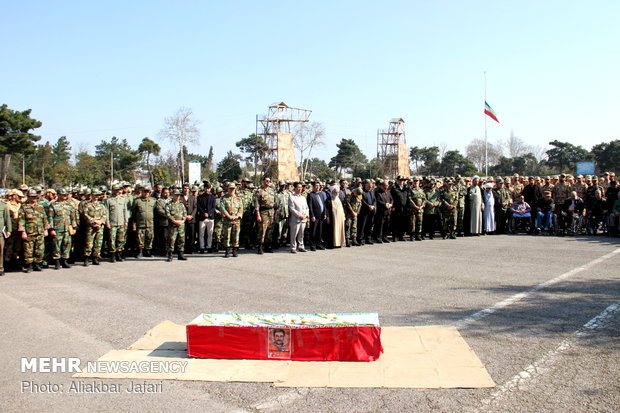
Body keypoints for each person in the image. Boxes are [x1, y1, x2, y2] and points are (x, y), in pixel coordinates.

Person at [18, 190, 49, 273]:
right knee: (28, 250)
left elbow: (44, 218)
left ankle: (37, 264)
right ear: (28, 197)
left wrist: (46, 229)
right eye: (32, 196)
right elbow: (21, 220)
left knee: (40, 249)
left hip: (39, 231)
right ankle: (29, 265)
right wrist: (23, 232)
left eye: (35, 196)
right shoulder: (24, 206)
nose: (34, 198)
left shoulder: (40, 206)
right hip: (29, 232)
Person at [47, 188, 77, 269]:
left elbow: (73, 217)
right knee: (56, 245)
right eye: (63, 195)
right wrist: (51, 229)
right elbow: (50, 218)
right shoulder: (53, 205)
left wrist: (74, 227)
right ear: (58, 195)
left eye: (65, 195)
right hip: (57, 229)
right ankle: (57, 261)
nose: (64, 196)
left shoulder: (69, 205)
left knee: (67, 245)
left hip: (67, 228)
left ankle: (64, 261)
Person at [82, 189, 107, 266]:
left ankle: (95, 258)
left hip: (99, 226)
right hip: (91, 227)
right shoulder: (87, 205)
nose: (97, 197)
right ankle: (86, 258)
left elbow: (104, 215)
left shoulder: (101, 205)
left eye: (98, 195)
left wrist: (100, 222)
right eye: (95, 195)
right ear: (92, 195)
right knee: (89, 243)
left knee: (98, 243)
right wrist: (94, 221)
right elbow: (85, 215)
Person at [253, 177, 278, 254]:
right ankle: (260, 246)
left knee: (270, 229)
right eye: (266, 181)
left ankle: (268, 246)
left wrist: (275, 213)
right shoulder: (259, 191)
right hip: (263, 211)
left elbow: (276, 203)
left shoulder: (272, 191)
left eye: (269, 181)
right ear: (263, 181)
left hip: (271, 211)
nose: (268, 182)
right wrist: (258, 215)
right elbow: (256, 204)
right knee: (262, 230)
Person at [105, 184, 129, 262]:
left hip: (121, 223)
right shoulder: (109, 200)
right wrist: (107, 223)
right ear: (112, 190)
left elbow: (125, 211)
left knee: (121, 240)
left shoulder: (122, 199)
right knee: (112, 240)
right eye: (116, 190)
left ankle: (119, 254)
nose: (117, 191)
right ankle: (112, 255)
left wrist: (126, 221)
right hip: (112, 223)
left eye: (118, 190)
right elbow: (107, 212)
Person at [220, 183, 243, 258]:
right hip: (227, 220)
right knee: (227, 235)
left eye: (233, 189)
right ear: (228, 189)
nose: (232, 190)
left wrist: (237, 216)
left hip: (236, 220)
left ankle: (235, 250)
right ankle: (227, 251)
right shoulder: (224, 198)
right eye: (230, 188)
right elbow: (222, 208)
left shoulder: (238, 198)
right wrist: (228, 216)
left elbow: (241, 208)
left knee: (236, 235)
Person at [132, 186, 156, 258]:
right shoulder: (137, 201)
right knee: (140, 238)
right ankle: (140, 252)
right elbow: (134, 211)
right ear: (142, 192)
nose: (146, 193)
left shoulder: (153, 200)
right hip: (140, 223)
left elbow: (155, 211)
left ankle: (147, 252)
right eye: (145, 191)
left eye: (148, 192)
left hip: (150, 223)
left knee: (150, 237)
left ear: (150, 193)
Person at [165, 189, 188, 261]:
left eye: (179, 195)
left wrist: (183, 221)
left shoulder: (181, 204)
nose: (178, 196)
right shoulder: (169, 204)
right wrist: (175, 221)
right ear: (172, 195)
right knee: (171, 240)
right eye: (176, 195)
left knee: (181, 240)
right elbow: (168, 214)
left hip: (181, 225)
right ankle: (170, 255)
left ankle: (180, 254)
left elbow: (185, 213)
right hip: (173, 226)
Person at [287, 182, 309, 253]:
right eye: (298, 187)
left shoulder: (303, 197)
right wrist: (299, 215)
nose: (300, 189)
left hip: (303, 219)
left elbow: (306, 208)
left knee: (301, 234)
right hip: (295, 219)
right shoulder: (291, 197)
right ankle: (293, 247)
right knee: (294, 234)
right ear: (295, 188)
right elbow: (292, 208)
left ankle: (301, 246)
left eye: (301, 187)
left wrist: (306, 215)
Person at [307, 181, 327, 251]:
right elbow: (310, 206)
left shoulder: (321, 194)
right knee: (313, 231)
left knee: (319, 231)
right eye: (316, 185)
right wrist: (312, 215)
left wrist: (324, 213)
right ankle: (312, 245)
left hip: (321, 216)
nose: (318, 187)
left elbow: (323, 205)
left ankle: (318, 244)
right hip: (314, 216)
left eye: (319, 185)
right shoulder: (310, 195)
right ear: (313, 186)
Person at [357, 179, 376, 245]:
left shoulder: (372, 191)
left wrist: (373, 206)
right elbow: (361, 201)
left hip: (371, 211)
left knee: (369, 225)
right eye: (368, 184)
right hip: (363, 211)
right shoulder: (361, 192)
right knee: (362, 226)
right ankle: (360, 239)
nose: (370, 185)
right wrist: (368, 206)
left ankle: (368, 238)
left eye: (370, 184)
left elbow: (374, 200)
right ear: (364, 185)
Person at [181, 184, 198, 254]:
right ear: (182, 189)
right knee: (183, 235)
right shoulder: (180, 198)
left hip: (191, 219)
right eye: (184, 188)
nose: (186, 190)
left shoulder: (192, 197)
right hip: (183, 219)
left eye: (187, 188)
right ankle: (184, 248)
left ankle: (191, 248)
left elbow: (195, 208)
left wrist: (191, 216)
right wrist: (185, 216)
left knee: (192, 235)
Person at [0, 194, 12, 276]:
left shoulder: (3, 205)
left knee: (0, 250)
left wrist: (9, 230)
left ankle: (0, 268)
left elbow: (7, 218)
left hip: (0, 232)